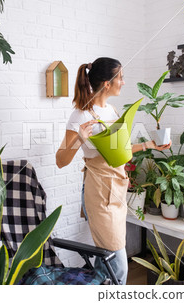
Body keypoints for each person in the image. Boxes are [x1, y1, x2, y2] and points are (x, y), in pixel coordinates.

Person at [56, 57, 171, 284]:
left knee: (106, 259)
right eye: (121, 77)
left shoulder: (111, 110)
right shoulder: (81, 115)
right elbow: (61, 160)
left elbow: (122, 151)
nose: (124, 82)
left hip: (117, 189)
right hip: (98, 193)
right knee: (118, 262)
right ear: (107, 83)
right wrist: (79, 138)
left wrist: (150, 145)